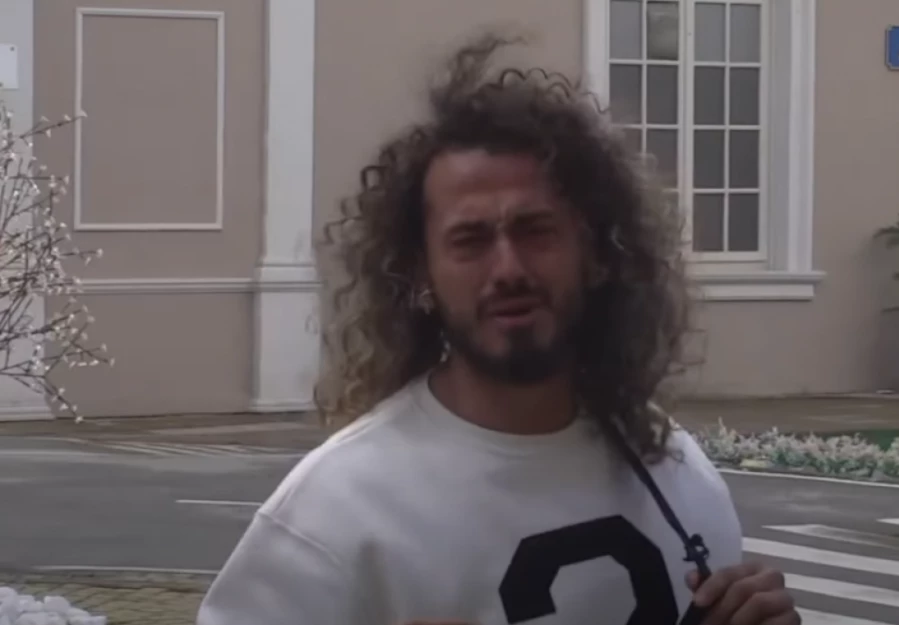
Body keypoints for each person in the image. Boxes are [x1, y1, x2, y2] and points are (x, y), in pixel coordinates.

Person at [196, 34, 798, 625]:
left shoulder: (678, 472)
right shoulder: (331, 517)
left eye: (535, 230)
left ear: (598, 253)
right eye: (470, 239)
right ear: (420, 275)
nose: (507, 268)